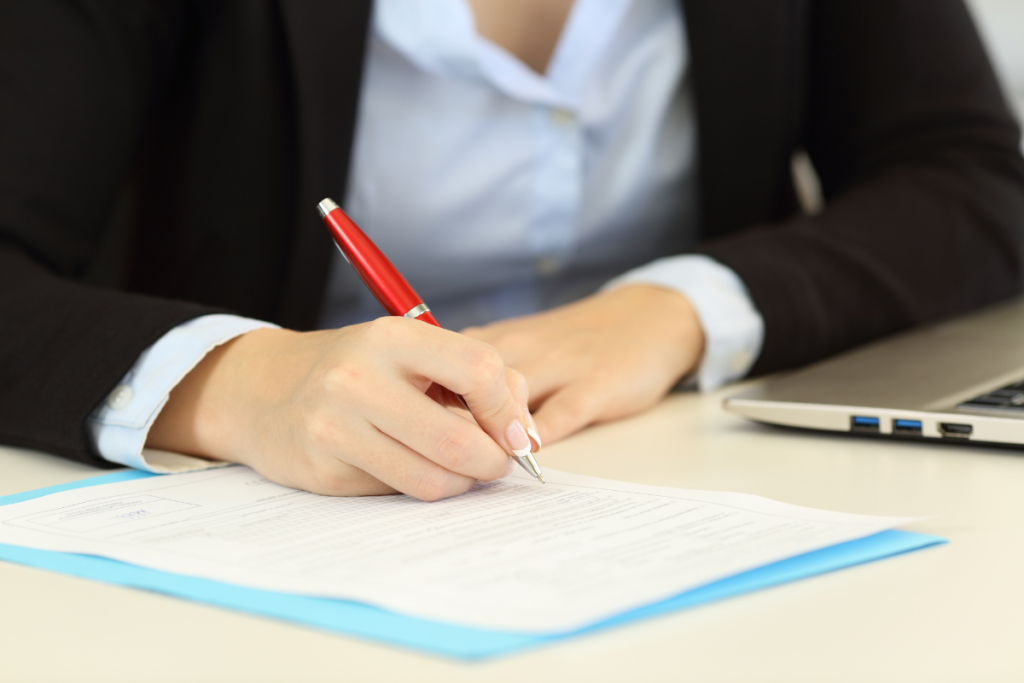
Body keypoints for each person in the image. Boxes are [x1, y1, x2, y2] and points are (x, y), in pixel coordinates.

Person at [1, 0, 1022, 501]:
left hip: (648, 478)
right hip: (266, 531)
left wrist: (673, 309)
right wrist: (234, 379)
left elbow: (970, 173)